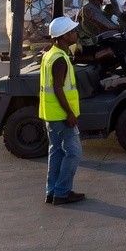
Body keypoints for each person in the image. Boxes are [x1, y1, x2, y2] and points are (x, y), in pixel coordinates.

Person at [40, 16, 85, 205]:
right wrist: (70, 113)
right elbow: (58, 88)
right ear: (64, 36)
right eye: (73, 32)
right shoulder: (59, 59)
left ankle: (52, 191)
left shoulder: (50, 54)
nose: (76, 34)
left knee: (56, 152)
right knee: (74, 153)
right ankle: (62, 192)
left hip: (50, 114)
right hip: (61, 115)